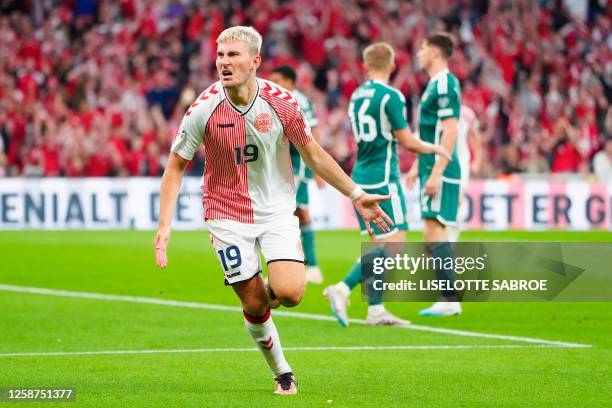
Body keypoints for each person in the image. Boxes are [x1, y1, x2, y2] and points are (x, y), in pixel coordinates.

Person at [153, 26, 393, 395]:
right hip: (225, 213)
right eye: (220, 55)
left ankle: (258, 290)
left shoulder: (281, 102)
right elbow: (175, 166)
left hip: (278, 210)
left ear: (255, 61)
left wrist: (355, 193)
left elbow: (313, 154)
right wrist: (164, 224)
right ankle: (282, 371)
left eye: (233, 55)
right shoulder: (203, 108)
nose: (224, 62)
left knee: (291, 294)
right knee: (253, 300)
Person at [323, 42, 451, 327]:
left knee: (378, 244)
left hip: (360, 174)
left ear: (366, 67)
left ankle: (376, 309)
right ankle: (342, 288)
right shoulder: (391, 96)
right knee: (395, 242)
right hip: (383, 177)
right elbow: (406, 140)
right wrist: (434, 148)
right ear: (392, 66)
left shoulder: (357, 95)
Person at [409, 33, 463, 317]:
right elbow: (431, 132)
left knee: (434, 230)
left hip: (439, 169)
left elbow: (451, 128)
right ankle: (447, 296)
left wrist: (437, 172)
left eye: (422, 48)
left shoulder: (444, 82)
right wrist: (418, 167)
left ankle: (450, 298)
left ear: (434, 52)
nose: (419, 53)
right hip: (430, 165)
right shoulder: (434, 84)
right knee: (431, 231)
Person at [269, 65, 324, 284]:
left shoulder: (298, 100)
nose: (273, 83)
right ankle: (303, 264)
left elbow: (313, 131)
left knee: (295, 211)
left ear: (290, 82)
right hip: (280, 163)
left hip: (297, 163)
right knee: (296, 212)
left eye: (277, 80)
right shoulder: (273, 100)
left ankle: (309, 265)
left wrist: (318, 167)